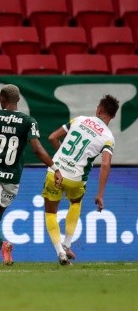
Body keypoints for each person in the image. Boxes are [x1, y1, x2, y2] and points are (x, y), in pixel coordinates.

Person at [0, 85, 63, 266]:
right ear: (17, 100)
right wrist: (55, 168)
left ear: (2, 99)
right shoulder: (29, 121)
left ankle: (3, 244)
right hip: (13, 178)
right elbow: (37, 149)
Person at [42, 95, 118, 265]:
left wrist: (62, 155)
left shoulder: (80, 119)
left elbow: (52, 137)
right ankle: (67, 244)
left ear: (99, 109)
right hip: (77, 178)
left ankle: (60, 252)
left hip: (56, 172)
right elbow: (105, 164)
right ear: (112, 116)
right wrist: (100, 194)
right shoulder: (108, 137)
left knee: (50, 213)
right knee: (75, 203)